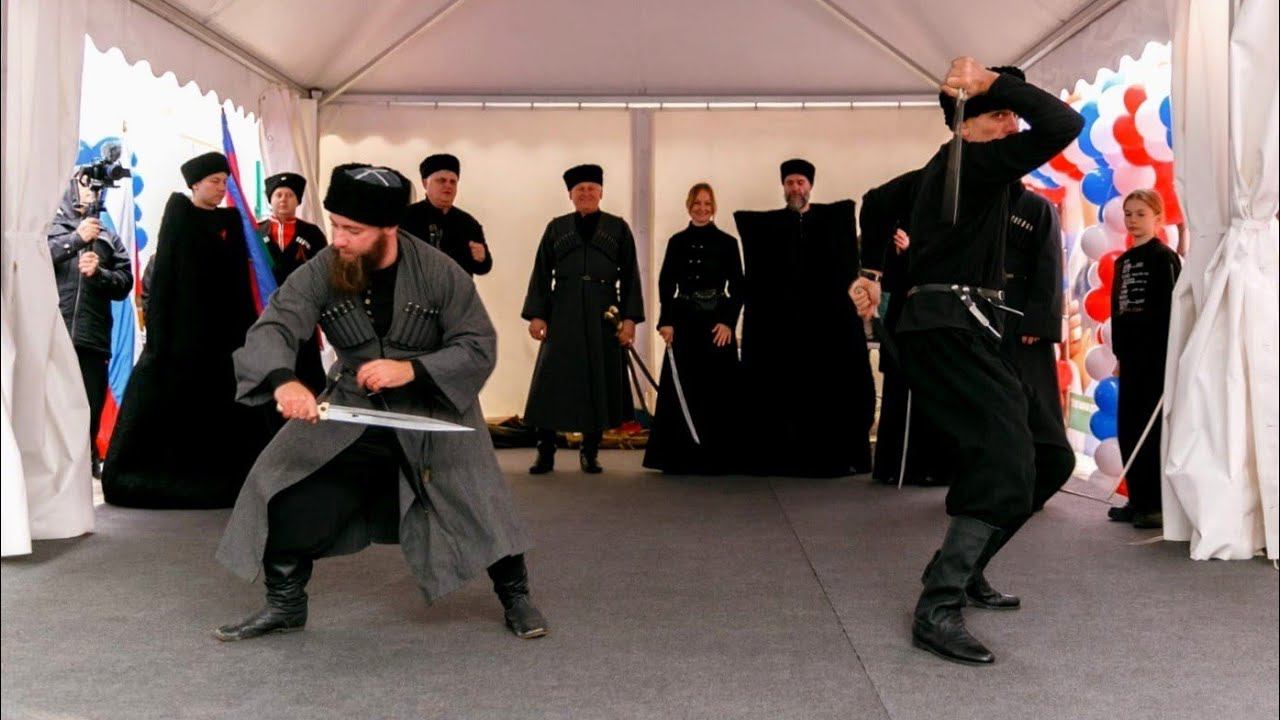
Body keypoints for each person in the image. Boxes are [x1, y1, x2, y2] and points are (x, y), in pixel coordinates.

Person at [214, 163, 546, 642]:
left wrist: (411, 370)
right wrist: (284, 382)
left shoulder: (440, 272)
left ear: (389, 228)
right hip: (353, 408)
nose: (339, 239)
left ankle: (516, 596)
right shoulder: (324, 268)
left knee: (478, 497)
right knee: (281, 481)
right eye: (335, 225)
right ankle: (285, 604)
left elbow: (478, 345)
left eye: (353, 230)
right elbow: (277, 324)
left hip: (432, 407)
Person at [852, 60, 1083, 664]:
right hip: (946, 330)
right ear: (966, 123)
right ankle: (938, 606)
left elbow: (875, 202)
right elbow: (1065, 124)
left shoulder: (944, 168)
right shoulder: (976, 163)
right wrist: (995, 82)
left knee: (1051, 456)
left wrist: (870, 271)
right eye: (1000, 114)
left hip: (974, 329)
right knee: (1003, 460)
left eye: (1012, 115)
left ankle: (966, 565)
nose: (1012, 126)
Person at [101, 151, 269, 508]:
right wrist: (161, 336)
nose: (221, 188)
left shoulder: (232, 222)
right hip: (183, 338)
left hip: (224, 340)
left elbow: (240, 283)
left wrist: (247, 334)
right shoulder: (179, 215)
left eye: (224, 182)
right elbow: (164, 279)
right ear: (195, 184)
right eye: (214, 181)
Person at [733, 159, 876, 477]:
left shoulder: (832, 224)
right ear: (783, 187)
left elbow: (844, 271)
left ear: (810, 185)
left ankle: (830, 454)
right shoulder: (770, 229)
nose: (795, 188)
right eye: (790, 183)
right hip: (784, 332)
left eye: (800, 182)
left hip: (823, 331)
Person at [521, 164, 645, 474]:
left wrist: (629, 321)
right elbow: (541, 273)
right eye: (580, 189)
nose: (586, 193)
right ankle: (545, 452)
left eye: (591, 188)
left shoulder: (618, 228)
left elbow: (631, 276)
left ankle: (590, 452)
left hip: (604, 314)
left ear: (601, 193)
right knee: (550, 382)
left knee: (597, 381)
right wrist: (537, 315)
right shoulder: (556, 228)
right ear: (570, 195)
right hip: (562, 312)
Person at [643, 183, 743, 474]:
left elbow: (739, 286)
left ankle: (718, 457)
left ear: (714, 207)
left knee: (719, 392)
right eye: (697, 203)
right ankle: (680, 457)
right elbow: (666, 284)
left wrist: (728, 322)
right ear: (689, 206)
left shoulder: (728, 243)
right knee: (684, 389)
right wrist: (666, 321)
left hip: (717, 326)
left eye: (707, 203)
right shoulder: (677, 242)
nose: (702, 208)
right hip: (685, 324)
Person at [859, 169, 951, 486]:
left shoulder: (941, 223)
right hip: (901, 319)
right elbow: (889, 279)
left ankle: (925, 468)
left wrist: (913, 249)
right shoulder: (891, 226)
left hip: (928, 319)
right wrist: (895, 253)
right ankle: (891, 466)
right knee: (897, 393)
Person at [47, 171, 134, 477]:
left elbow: (124, 283)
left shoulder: (108, 236)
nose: (90, 193)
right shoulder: (46, 227)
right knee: (50, 410)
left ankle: (85, 467)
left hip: (92, 339)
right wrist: (76, 240)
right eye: (84, 185)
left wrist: (100, 274)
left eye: (95, 188)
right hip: (51, 336)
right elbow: (32, 259)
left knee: (89, 407)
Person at [1108, 189, 1181, 529]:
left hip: (1156, 357)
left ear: (1158, 218)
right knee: (1129, 427)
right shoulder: (1122, 262)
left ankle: (1155, 504)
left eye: (1141, 214)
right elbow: (1118, 312)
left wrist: (1169, 354)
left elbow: (1172, 310)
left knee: (1151, 431)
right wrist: (1119, 354)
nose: (1133, 220)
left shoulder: (1164, 258)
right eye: (1128, 214)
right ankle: (1136, 497)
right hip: (1131, 357)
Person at [1001, 183, 1075, 513]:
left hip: (1024, 324)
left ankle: (1040, 480)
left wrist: (1037, 321)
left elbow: (1049, 263)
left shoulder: (1038, 209)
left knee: (1035, 403)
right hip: (987, 318)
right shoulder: (981, 205)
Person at [257, 171, 328, 395]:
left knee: (306, 370)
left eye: (289, 195)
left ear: (298, 200)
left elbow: (325, 272)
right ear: (270, 199)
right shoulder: (255, 233)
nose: (283, 200)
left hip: (302, 313)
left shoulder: (312, 233)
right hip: (265, 313)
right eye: (278, 195)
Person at [400, 153, 493, 276]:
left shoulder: (468, 223)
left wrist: (482, 258)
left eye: (453, 182)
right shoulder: (406, 217)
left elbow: (483, 268)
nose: (448, 186)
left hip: (458, 287)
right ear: (425, 183)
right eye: (441, 180)